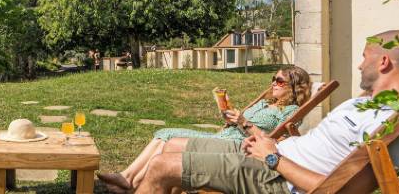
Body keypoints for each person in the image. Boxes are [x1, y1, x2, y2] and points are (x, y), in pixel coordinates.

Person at [132, 30, 399, 194]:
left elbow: (336, 192)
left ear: (385, 63)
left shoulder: (395, 126)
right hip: (272, 157)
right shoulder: (370, 104)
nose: (360, 65)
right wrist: (269, 145)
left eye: (365, 58)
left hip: (277, 179)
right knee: (170, 147)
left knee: (162, 167)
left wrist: (273, 158)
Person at [98, 66, 312, 191]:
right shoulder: (266, 103)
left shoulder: (290, 112)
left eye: (280, 81)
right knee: (164, 136)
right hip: (225, 135)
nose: (274, 83)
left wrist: (243, 122)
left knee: (168, 137)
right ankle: (130, 179)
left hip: (236, 146)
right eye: (274, 79)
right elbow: (243, 122)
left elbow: (268, 141)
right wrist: (231, 117)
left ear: (294, 87)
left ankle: (130, 180)